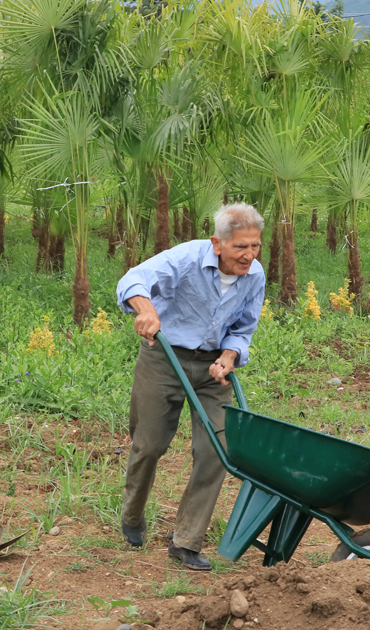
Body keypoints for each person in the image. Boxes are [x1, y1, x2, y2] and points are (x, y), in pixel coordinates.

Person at [115, 202, 266, 571]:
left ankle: (186, 540)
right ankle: (132, 514)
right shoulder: (186, 258)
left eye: (255, 246)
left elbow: (244, 327)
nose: (249, 255)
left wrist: (229, 357)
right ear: (218, 243)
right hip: (165, 357)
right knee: (149, 444)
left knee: (217, 448)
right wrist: (146, 309)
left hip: (214, 368)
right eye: (240, 247)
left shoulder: (255, 276)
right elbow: (132, 279)